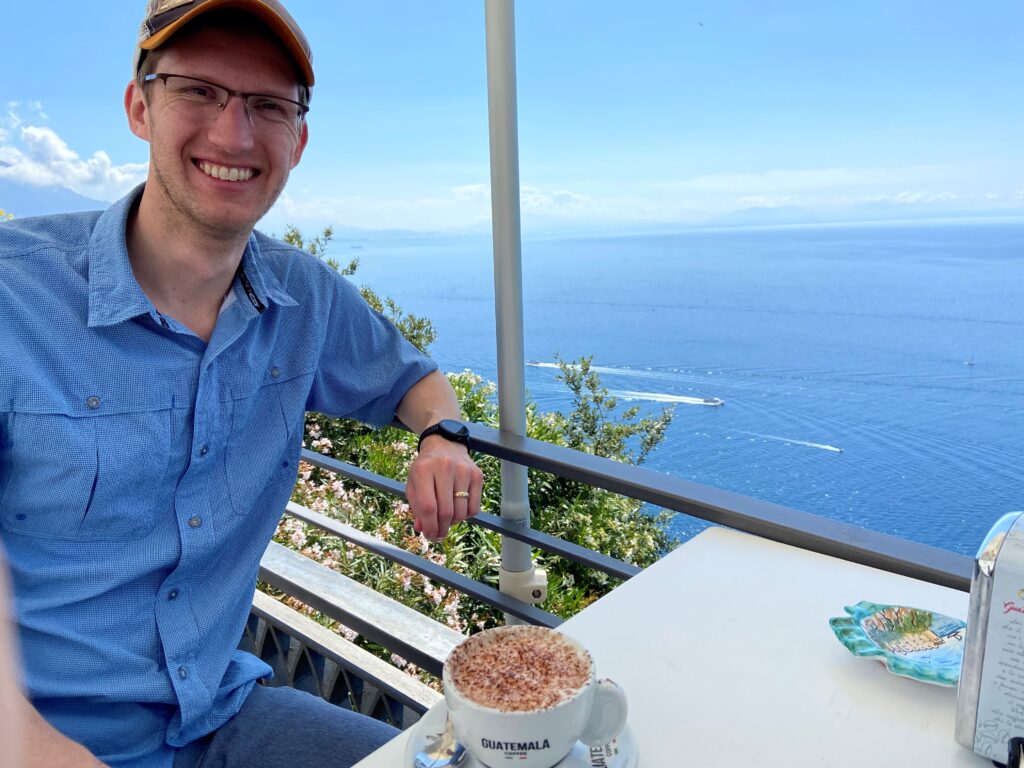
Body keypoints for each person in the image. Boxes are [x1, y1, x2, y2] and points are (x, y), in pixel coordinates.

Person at [0, 1, 484, 766]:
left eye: (268, 105)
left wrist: (443, 436)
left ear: (299, 140)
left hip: (216, 715)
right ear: (139, 108)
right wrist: (28, 745)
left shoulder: (305, 300)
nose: (234, 135)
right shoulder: (16, 294)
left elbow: (411, 374)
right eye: (199, 91)